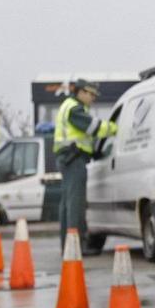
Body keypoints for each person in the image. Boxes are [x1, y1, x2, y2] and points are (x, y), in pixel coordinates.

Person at [53, 78, 116, 252]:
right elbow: (94, 128)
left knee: (68, 204)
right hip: (73, 159)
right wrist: (115, 128)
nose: (93, 98)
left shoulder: (69, 106)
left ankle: (69, 245)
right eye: (92, 94)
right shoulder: (75, 109)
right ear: (81, 92)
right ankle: (77, 245)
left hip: (69, 158)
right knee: (75, 205)